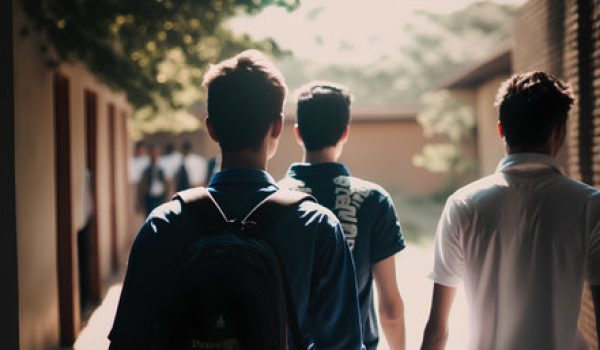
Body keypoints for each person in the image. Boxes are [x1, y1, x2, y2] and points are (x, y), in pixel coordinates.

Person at [109, 50, 364, 350]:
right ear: (278, 127)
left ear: (211, 128)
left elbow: (128, 340)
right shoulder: (317, 227)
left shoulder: (164, 224)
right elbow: (343, 344)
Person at [421, 71, 600, 350]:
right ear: (560, 131)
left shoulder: (464, 204)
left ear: (501, 130)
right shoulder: (589, 205)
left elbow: (437, 330)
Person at [279, 82, 407, 350]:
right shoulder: (374, 200)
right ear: (345, 132)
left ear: (298, 133)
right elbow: (390, 309)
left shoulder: (272, 199)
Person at [138, 144, 168, 216]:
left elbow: (167, 183)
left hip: (160, 197)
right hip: (149, 198)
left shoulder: (162, 168)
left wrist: (167, 197)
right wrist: (140, 202)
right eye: (152, 153)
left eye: (156, 153)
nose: (154, 155)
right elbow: (141, 187)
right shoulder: (146, 170)